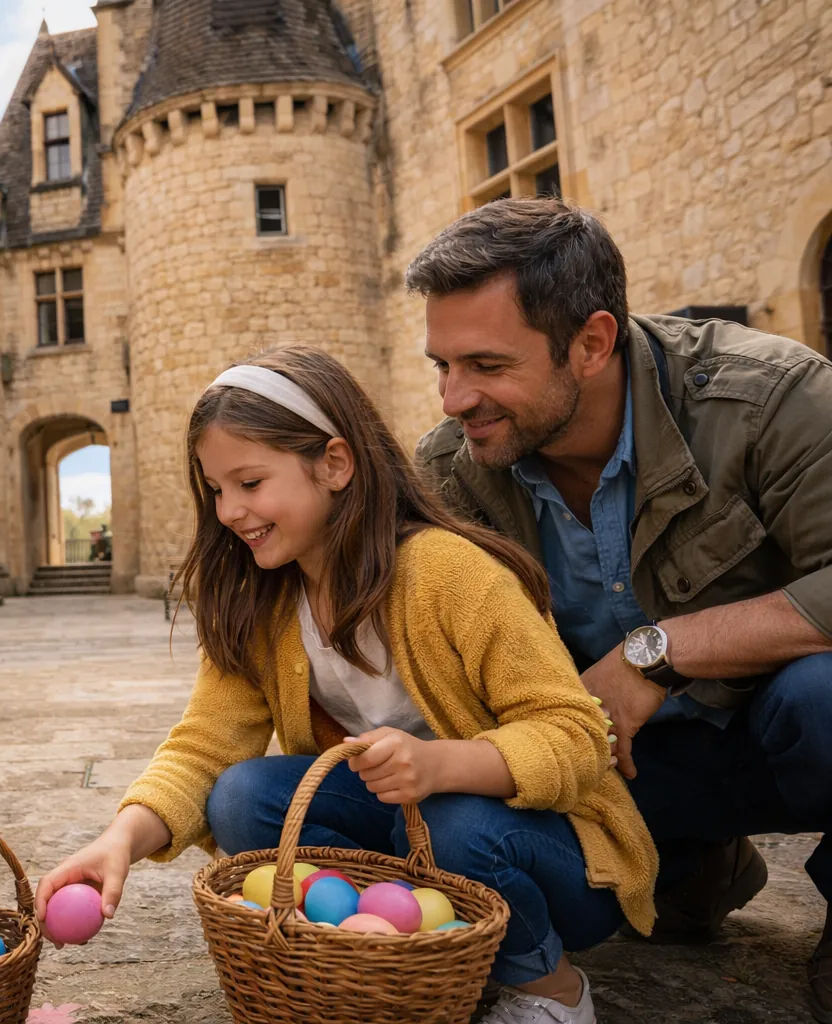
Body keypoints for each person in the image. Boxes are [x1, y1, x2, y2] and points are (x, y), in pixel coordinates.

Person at [38, 346, 657, 1024]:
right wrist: (119, 840)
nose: (228, 511)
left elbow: (575, 734)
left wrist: (441, 764)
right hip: (408, 841)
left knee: (454, 820)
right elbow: (203, 747)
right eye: (216, 490)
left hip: (552, 860)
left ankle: (547, 983)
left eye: (249, 482)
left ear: (335, 464)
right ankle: (402, 952)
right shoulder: (262, 600)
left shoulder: (450, 573)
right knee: (242, 795)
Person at [409, 198, 832, 1019]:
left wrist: (663, 649)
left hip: (779, 729)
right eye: (442, 365)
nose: (456, 398)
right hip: (621, 767)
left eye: (486, 365)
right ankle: (691, 858)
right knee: (466, 821)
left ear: (593, 342)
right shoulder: (454, 470)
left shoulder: (774, 398)